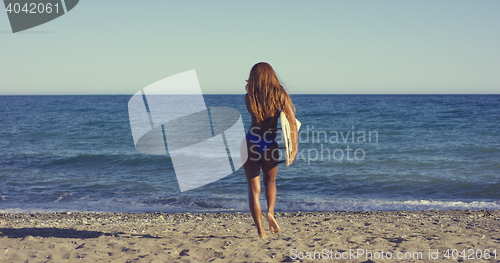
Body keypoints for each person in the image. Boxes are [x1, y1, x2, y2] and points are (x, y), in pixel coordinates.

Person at [243, 62, 298, 239]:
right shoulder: (280, 96)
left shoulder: (249, 97)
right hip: (269, 143)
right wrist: (293, 147)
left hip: (250, 142)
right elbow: (292, 122)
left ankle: (261, 231)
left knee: (254, 189)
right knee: (271, 182)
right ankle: (271, 212)